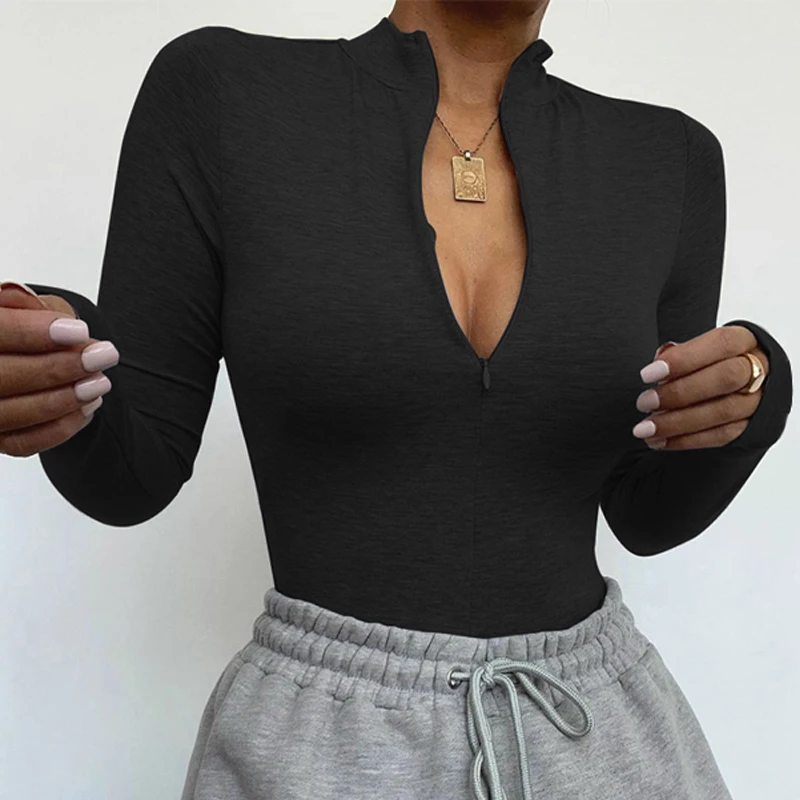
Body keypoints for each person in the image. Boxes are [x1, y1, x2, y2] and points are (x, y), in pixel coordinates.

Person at [2, 1, 793, 797]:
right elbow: (130, 476)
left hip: (597, 738)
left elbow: (647, 512)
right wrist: (62, 366)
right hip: (319, 756)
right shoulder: (223, 96)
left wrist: (757, 396)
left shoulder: (669, 160)